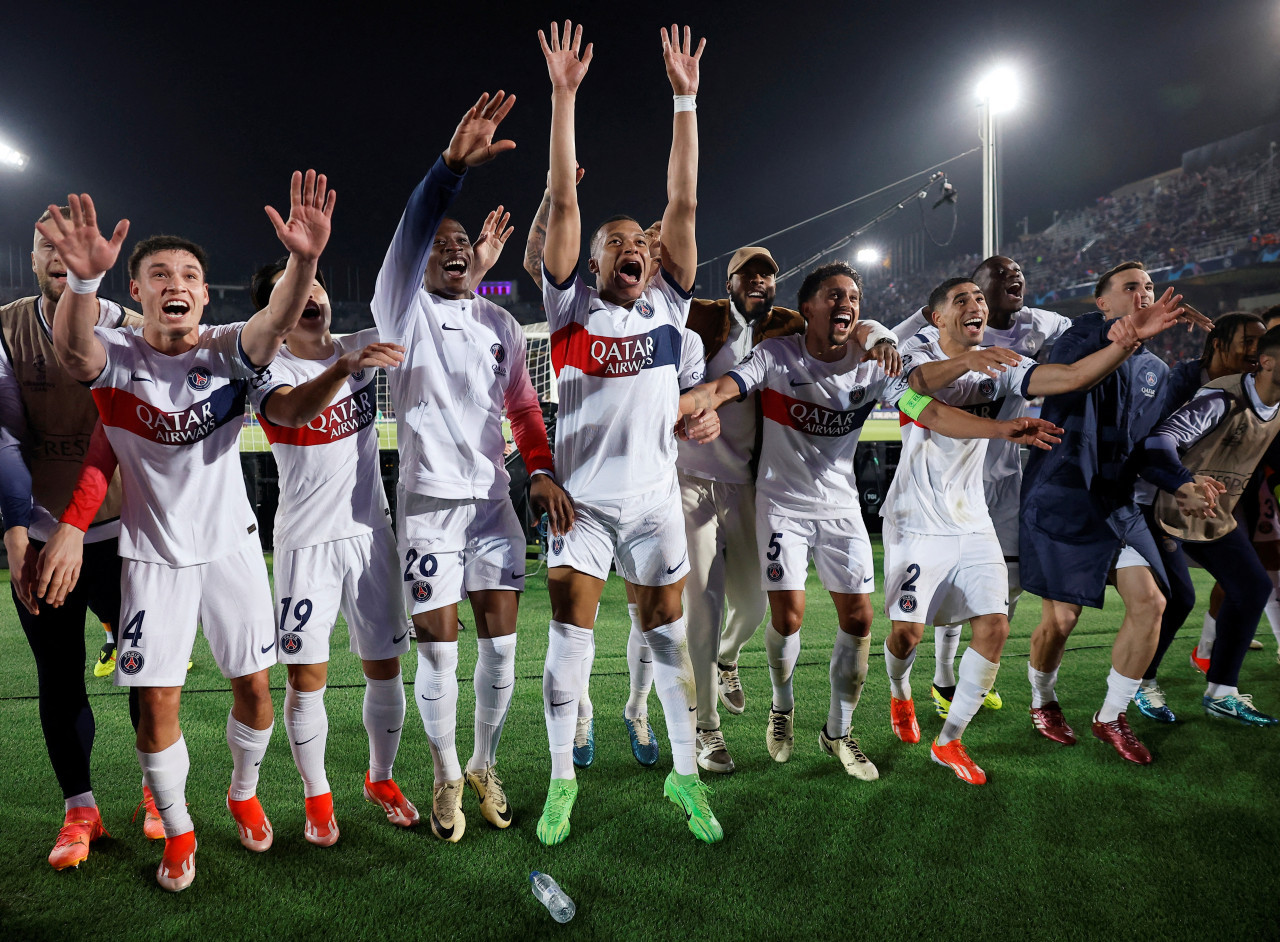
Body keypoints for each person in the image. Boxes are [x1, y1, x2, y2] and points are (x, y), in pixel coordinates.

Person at [42, 170, 334, 891]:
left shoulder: (229, 348)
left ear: (205, 296)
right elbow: (74, 354)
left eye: (191, 276)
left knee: (258, 692)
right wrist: (82, 285)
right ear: (135, 293)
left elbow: (273, 329)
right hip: (153, 558)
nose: (177, 283)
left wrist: (304, 262)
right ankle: (179, 831)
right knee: (157, 703)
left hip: (233, 548)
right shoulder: (117, 356)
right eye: (159, 274)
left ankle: (242, 790)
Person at [534, 20, 723, 845]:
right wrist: (563, 95)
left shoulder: (672, 310)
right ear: (593, 260)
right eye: (612, 245)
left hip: (651, 506)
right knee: (567, 654)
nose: (627, 249)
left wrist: (685, 97)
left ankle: (686, 780)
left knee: (669, 644)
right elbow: (566, 203)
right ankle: (561, 783)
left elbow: (681, 199)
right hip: (582, 508)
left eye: (635, 242)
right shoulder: (568, 308)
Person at [372, 93, 572, 844]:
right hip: (428, 506)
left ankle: (485, 763)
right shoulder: (403, 311)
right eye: (440, 242)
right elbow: (416, 226)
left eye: (464, 243)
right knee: (441, 655)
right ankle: (446, 771)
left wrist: (541, 470)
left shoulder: (499, 323)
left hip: (493, 504)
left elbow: (523, 409)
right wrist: (450, 169)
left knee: (500, 652)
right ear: (421, 257)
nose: (453, 247)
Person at [886, 275, 1180, 782]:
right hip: (916, 520)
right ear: (937, 317)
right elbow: (927, 409)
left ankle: (949, 742)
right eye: (963, 300)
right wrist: (991, 410)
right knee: (907, 635)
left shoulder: (1000, 364)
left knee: (996, 626)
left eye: (980, 298)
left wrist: (1127, 341)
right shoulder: (910, 357)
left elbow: (1067, 377)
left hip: (974, 518)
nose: (976, 305)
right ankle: (899, 693)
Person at [681, 262, 914, 780]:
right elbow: (724, 385)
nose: (845, 304)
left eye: (853, 296)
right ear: (806, 308)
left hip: (838, 506)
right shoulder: (774, 352)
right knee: (780, 616)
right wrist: (688, 404)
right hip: (773, 499)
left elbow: (917, 390)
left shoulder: (873, 360)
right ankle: (779, 709)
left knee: (858, 620)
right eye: (833, 295)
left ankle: (838, 732)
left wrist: (994, 423)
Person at [245, 259, 413, 846]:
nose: (310, 293)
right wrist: (343, 369)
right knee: (307, 677)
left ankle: (381, 779)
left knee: (386, 667)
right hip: (305, 544)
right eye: (292, 291)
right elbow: (293, 413)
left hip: (372, 537)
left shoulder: (364, 345)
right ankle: (318, 796)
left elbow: (418, 297)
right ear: (274, 310)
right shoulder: (267, 368)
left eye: (316, 283)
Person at [0, 207, 145, 870]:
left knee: (151, 672)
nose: (59, 254)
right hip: (37, 539)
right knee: (58, 679)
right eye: (45, 246)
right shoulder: (4, 328)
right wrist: (14, 530)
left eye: (71, 243)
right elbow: (3, 436)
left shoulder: (128, 327)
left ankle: (157, 792)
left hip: (124, 537)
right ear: (32, 257)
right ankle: (80, 808)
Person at [1019, 261, 1202, 765]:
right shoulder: (1079, 337)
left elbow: (1148, 449)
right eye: (1129, 288)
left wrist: (1181, 484)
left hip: (1115, 505)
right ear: (1103, 302)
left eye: (1147, 287)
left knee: (1152, 603)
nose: (1142, 293)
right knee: (1062, 621)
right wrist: (1119, 336)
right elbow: (1073, 377)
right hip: (1062, 498)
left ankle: (1111, 716)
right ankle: (1043, 700)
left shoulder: (1156, 372)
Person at [893, 255, 1072, 717]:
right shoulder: (923, 346)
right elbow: (919, 396)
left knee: (998, 598)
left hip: (995, 483)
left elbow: (1068, 362)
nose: (1013, 281)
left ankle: (950, 699)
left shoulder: (1031, 333)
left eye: (1018, 275)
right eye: (973, 291)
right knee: (911, 625)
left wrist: (1125, 335)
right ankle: (927, 680)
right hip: (924, 502)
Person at [1130, 325, 1280, 726]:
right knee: (1180, 598)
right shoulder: (1221, 397)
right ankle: (1141, 682)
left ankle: (1221, 692)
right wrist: (1185, 482)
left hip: (1213, 510)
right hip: (1166, 503)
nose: (1251, 350)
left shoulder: (1276, 405)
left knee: (1253, 587)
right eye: (1247, 343)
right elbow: (1159, 442)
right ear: (1267, 362)